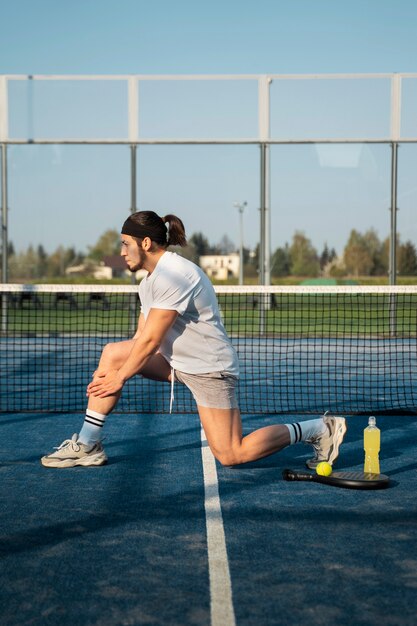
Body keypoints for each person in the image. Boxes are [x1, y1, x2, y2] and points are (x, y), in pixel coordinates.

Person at [41, 211, 347, 469]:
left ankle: (319, 429)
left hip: (209, 369)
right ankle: (88, 444)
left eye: (125, 244)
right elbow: (140, 340)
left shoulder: (175, 274)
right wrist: (117, 372)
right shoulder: (148, 283)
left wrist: (120, 378)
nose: (121, 253)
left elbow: (151, 341)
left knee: (231, 454)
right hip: (177, 363)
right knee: (113, 353)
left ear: (145, 243)